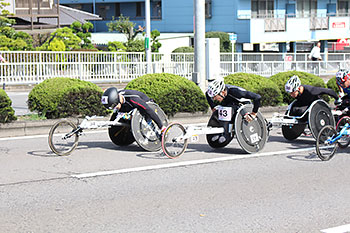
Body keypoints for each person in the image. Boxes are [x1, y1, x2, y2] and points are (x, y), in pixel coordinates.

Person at [206, 78, 262, 143]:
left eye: (215, 96)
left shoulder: (236, 92)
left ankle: (227, 134)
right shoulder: (221, 93)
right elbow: (207, 94)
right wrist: (213, 107)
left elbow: (257, 97)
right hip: (230, 103)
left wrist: (253, 113)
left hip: (243, 106)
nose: (214, 99)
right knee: (221, 109)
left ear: (222, 92)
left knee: (230, 109)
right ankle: (221, 132)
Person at [101, 87, 166, 134]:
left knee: (145, 111)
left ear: (118, 100)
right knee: (124, 116)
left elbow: (148, 110)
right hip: (128, 105)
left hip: (145, 104)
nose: (115, 108)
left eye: (114, 106)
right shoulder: (116, 96)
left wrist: (161, 126)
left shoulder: (133, 99)